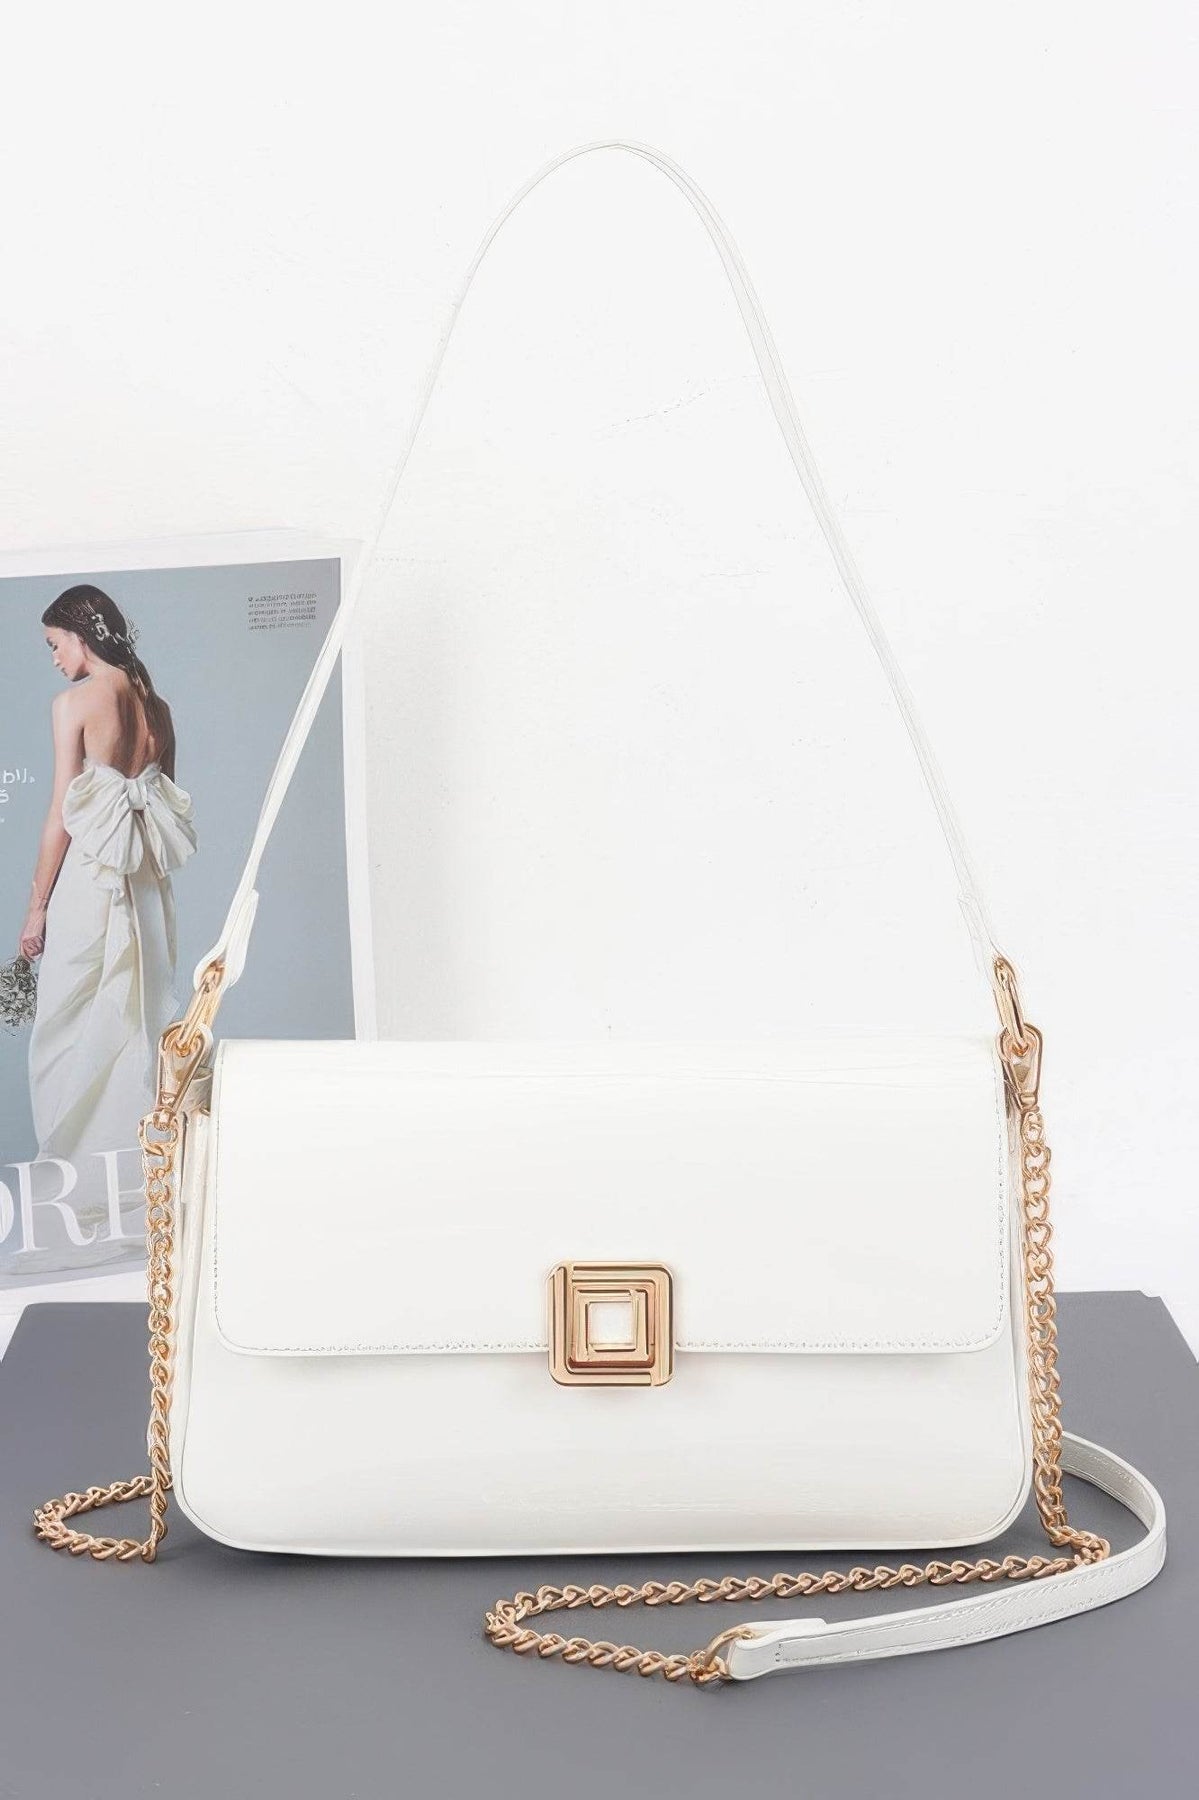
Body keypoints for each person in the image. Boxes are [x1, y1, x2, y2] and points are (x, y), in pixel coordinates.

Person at [18, 585, 198, 1203]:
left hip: (91, 883)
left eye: (54, 644)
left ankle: (78, 1188)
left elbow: (61, 816)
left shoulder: (74, 703)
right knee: (135, 1023)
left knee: (66, 1026)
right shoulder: (159, 710)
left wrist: (36, 909)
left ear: (80, 634)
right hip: (145, 885)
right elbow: (162, 805)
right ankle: (134, 1183)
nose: (53, 657)